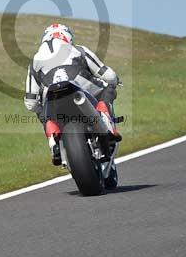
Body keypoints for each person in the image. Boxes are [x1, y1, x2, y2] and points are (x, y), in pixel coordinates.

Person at [24, 23, 121, 165]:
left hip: (52, 97)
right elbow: (109, 75)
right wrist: (116, 80)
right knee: (108, 87)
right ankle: (106, 123)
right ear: (68, 37)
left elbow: (30, 102)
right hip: (80, 87)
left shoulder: (34, 62)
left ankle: (53, 142)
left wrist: (41, 111)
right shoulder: (78, 50)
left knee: (41, 110)